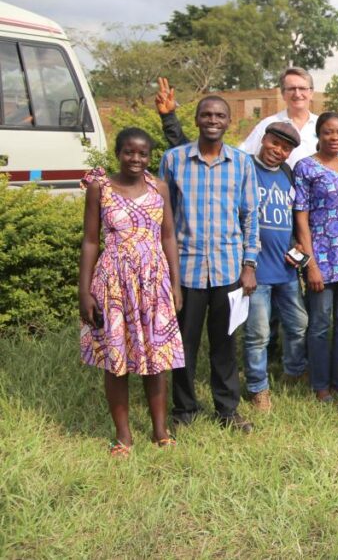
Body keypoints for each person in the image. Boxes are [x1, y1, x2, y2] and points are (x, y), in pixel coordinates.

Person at [79, 128, 184, 455]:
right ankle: (123, 436)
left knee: (156, 359)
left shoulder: (159, 188)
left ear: (149, 156)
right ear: (118, 153)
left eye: (142, 153)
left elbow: (168, 237)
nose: (135, 159)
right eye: (129, 152)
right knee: (116, 360)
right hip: (113, 283)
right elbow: (90, 241)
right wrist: (84, 291)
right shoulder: (100, 188)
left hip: (154, 283)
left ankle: (160, 431)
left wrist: (176, 284)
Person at [160, 95, 260, 433]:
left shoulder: (242, 163)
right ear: (197, 119)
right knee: (183, 344)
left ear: (229, 121)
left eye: (219, 115)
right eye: (206, 114)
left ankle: (227, 410)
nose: (212, 120)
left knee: (224, 345)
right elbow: (165, 220)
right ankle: (184, 409)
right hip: (186, 271)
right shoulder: (173, 160)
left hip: (228, 270)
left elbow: (250, 217)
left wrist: (249, 264)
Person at [294, 112, 338, 402]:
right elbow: (301, 218)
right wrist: (310, 264)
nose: (333, 138)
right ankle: (320, 384)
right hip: (321, 260)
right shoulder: (306, 168)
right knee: (321, 324)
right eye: (327, 132)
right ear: (318, 134)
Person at [242, 121, 309, 412]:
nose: (278, 151)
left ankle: (293, 372)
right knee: (258, 334)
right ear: (263, 139)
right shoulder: (244, 168)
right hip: (255, 271)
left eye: (285, 148)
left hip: (286, 270)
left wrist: (297, 243)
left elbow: (294, 217)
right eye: (274, 143)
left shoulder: (287, 174)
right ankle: (258, 388)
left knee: (298, 325)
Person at [155, 68, 338, 166]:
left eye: (302, 88)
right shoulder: (269, 124)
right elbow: (241, 157)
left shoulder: (324, 127)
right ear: (283, 93)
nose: (297, 93)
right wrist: (170, 118)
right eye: (291, 89)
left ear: (311, 92)